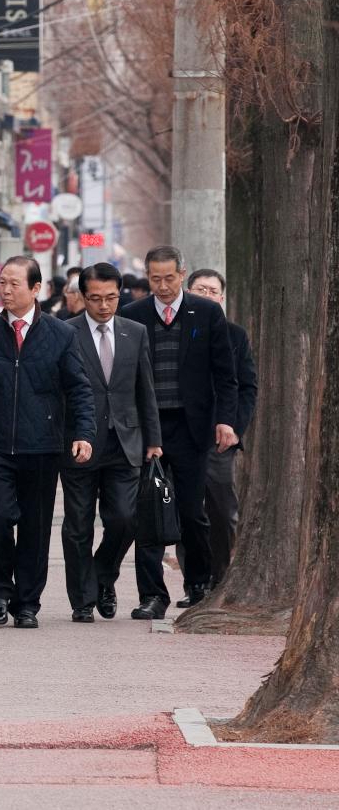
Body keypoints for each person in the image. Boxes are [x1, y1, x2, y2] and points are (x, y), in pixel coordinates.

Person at [0, 256, 95, 629]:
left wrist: (83, 433)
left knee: (35, 525)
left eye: (15, 284)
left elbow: (79, 388)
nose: (6, 290)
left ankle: (27, 602)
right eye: (3, 282)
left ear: (36, 289)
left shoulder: (61, 334)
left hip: (43, 445)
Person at [120, 246, 239, 617]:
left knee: (191, 511)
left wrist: (226, 420)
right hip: (147, 428)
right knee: (148, 513)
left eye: (169, 278)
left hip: (191, 427)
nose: (162, 286)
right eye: (155, 279)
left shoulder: (206, 312)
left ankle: (198, 584)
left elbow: (225, 374)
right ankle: (152, 595)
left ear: (182, 274)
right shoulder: (133, 315)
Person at [59, 263, 163, 623]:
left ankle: (103, 575)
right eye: (95, 299)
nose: (104, 306)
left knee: (124, 518)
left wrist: (154, 438)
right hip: (80, 441)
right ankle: (83, 599)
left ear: (121, 294)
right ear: (82, 297)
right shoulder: (65, 332)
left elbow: (144, 388)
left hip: (126, 439)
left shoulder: (134, 331)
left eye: (111, 298)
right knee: (78, 525)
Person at [187, 268, 258, 587]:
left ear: (221, 298)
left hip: (219, 437)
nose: (206, 295)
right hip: (181, 434)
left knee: (221, 508)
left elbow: (247, 387)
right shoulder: (176, 330)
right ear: (188, 292)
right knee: (186, 511)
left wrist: (233, 427)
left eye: (212, 291)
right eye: (199, 289)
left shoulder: (235, 335)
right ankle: (194, 582)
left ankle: (221, 577)